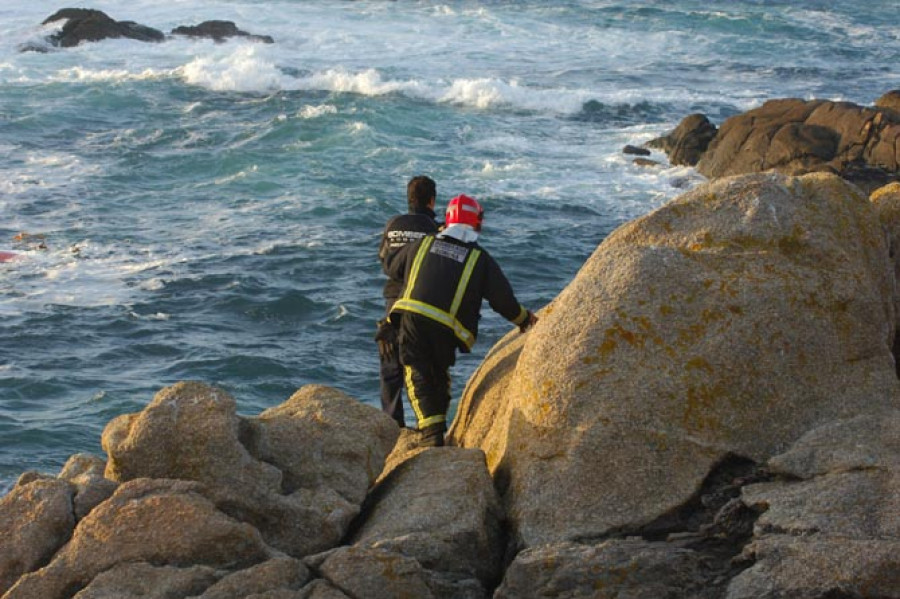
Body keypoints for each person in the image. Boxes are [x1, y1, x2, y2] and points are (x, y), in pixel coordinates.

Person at [386, 193, 538, 447]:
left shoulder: (422, 244)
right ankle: (437, 429)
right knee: (438, 373)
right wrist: (524, 319)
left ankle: (431, 432)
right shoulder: (481, 259)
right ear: (476, 223)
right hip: (449, 330)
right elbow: (503, 301)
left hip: (412, 318)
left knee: (416, 372)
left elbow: (394, 269)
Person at [375, 175, 441, 427]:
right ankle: (428, 426)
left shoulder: (393, 224)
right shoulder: (434, 230)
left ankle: (392, 426)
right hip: (421, 302)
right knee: (423, 366)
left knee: (390, 366)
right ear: (432, 201)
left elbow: (384, 260)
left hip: (393, 301)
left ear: (408, 199)